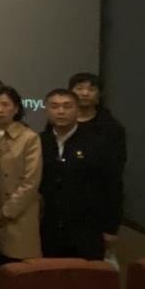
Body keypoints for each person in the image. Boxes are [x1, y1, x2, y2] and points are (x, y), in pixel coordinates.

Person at [39, 88, 121, 260]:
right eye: (54, 106)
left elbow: (113, 185)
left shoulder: (97, 143)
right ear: (46, 110)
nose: (61, 111)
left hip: (87, 226)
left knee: (86, 273)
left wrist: (111, 228)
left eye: (67, 106)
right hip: (48, 226)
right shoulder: (39, 142)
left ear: (77, 110)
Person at [0, 85, 42, 263]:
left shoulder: (29, 137)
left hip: (19, 214)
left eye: (6, 105)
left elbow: (31, 181)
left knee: (17, 268)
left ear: (16, 109)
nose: (0, 109)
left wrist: (7, 211)